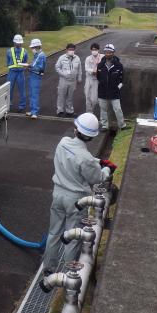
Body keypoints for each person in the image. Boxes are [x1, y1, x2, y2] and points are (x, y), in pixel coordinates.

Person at [42, 113, 114, 274]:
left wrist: (96, 162)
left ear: (75, 130)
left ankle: (48, 268)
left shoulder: (63, 143)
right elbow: (97, 178)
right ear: (92, 137)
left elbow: (76, 157)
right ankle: (69, 273)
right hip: (76, 200)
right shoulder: (86, 158)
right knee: (72, 237)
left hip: (58, 194)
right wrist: (107, 168)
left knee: (54, 232)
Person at [97, 44, 127, 131]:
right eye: (106, 52)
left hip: (114, 93)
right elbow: (98, 77)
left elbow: (122, 79)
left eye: (110, 52)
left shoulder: (119, 65)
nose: (108, 54)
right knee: (103, 110)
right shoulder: (100, 65)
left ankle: (122, 125)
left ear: (113, 53)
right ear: (104, 53)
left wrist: (117, 88)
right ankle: (104, 125)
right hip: (102, 92)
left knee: (117, 109)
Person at [55, 43, 82, 117]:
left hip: (73, 81)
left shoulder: (77, 58)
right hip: (64, 80)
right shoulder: (62, 58)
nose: (71, 51)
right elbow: (57, 68)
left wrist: (79, 77)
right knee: (61, 95)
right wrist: (63, 74)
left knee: (70, 96)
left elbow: (79, 69)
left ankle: (69, 110)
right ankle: (60, 110)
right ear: (66, 50)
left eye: (73, 50)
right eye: (70, 49)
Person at [7, 34, 28, 112]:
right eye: (17, 42)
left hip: (20, 73)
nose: (18, 44)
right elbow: (8, 61)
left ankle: (21, 106)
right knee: (9, 89)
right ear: (14, 42)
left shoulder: (25, 51)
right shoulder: (9, 51)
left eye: (20, 43)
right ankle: (8, 104)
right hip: (11, 72)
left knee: (22, 89)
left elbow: (25, 62)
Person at [27, 38, 46, 119]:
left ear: (37, 47)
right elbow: (34, 65)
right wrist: (30, 67)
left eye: (32, 48)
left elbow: (40, 68)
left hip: (36, 76)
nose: (32, 49)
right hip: (32, 75)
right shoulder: (37, 55)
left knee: (34, 94)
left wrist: (30, 66)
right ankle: (32, 110)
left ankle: (35, 111)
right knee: (31, 93)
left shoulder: (41, 55)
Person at [83, 43, 102, 114]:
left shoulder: (102, 57)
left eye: (96, 49)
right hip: (89, 79)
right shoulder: (88, 58)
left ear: (98, 50)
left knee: (94, 99)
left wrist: (98, 71)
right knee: (87, 96)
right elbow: (86, 68)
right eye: (93, 49)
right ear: (90, 50)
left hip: (96, 80)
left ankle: (92, 110)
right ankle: (88, 113)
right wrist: (93, 71)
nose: (94, 51)